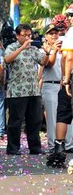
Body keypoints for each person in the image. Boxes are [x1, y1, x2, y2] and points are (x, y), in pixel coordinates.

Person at [4, 23, 49, 155]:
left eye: (29, 35)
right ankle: (13, 148)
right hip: (17, 91)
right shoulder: (11, 47)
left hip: (33, 90)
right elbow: (7, 59)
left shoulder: (33, 49)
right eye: (24, 35)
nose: (27, 38)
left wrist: (47, 52)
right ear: (17, 36)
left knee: (35, 120)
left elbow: (43, 62)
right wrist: (22, 48)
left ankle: (35, 148)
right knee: (16, 121)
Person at [39, 23, 71, 155]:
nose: (54, 35)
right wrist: (52, 49)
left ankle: (68, 144)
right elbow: (49, 64)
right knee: (52, 117)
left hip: (63, 84)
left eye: (56, 33)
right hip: (50, 85)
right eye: (51, 33)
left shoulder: (64, 49)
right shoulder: (44, 51)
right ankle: (53, 145)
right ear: (46, 36)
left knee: (66, 115)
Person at [47, 6, 73, 167]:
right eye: (68, 15)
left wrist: (66, 80)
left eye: (71, 15)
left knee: (63, 111)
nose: (69, 18)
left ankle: (58, 148)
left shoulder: (71, 33)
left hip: (70, 79)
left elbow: (68, 57)